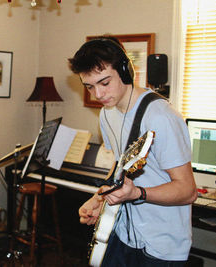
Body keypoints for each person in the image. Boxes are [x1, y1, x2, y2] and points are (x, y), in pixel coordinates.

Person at [68, 36, 198, 266]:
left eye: (104, 83)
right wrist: (98, 199)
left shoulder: (161, 117)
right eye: (89, 86)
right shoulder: (107, 113)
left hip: (161, 244)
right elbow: (121, 167)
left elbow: (188, 191)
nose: (97, 95)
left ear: (126, 71)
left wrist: (137, 193)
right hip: (124, 232)